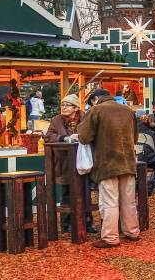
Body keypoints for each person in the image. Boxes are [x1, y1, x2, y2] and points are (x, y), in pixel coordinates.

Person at [78, 88, 139, 248]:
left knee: (109, 201)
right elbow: (136, 137)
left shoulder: (96, 110)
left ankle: (110, 237)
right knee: (129, 201)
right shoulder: (127, 110)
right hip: (128, 162)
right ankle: (132, 231)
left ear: (96, 98)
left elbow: (84, 137)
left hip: (107, 163)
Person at [45, 94, 96, 234]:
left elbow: (92, 133)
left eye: (67, 105)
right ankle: (66, 224)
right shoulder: (56, 120)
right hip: (64, 161)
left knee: (85, 192)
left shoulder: (85, 118)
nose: (64, 107)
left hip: (84, 160)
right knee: (66, 192)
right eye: (63, 105)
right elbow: (48, 136)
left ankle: (87, 222)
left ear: (75, 108)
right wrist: (64, 138)